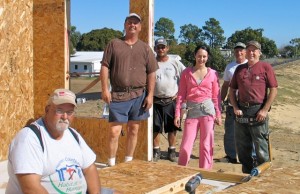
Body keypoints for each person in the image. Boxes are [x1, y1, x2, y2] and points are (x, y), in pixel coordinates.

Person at [6, 89, 101, 194]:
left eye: (69, 112)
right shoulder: (29, 138)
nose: (65, 117)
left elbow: (90, 169)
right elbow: (31, 188)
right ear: (47, 110)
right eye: (59, 111)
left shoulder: (73, 135)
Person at [100, 13, 158, 167]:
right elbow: (105, 67)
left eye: (136, 23)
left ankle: (128, 162)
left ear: (140, 27)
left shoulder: (145, 48)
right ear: (125, 25)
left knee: (133, 130)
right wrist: (105, 89)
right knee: (114, 132)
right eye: (129, 22)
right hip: (118, 94)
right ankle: (111, 163)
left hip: (139, 95)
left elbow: (152, 72)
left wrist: (150, 95)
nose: (132, 25)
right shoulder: (114, 44)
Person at [229, 40, 278, 173]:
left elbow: (273, 89)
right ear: (245, 52)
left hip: (258, 111)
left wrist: (265, 110)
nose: (251, 52)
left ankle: (263, 175)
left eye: (254, 50)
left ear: (259, 53)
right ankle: (247, 175)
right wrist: (235, 107)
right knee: (243, 148)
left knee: (261, 148)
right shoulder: (240, 69)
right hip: (241, 112)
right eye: (249, 50)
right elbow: (232, 90)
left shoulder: (265, 67)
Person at [174, 45, 222, 169]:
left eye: (204, 56)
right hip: (192, 111)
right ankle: (181, 170)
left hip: (207, 111)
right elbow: (181, 95)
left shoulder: (213, 74)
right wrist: (177, 114)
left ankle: (205, 172)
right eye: (199, 56)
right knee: (186, 145)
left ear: (208, 57)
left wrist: (218, 114)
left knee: (206, 144)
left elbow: (216, 96)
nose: (201, 59)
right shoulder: (186, 73)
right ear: (195, 56)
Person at [153, 38, 186, 162]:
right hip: (155, 100)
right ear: (155, 48)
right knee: (155, 127)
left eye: (163, 47)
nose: (161, 49)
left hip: (171, 100)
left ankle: (171, 151)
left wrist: (180, 94)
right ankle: (156, 150)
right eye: (158, 47)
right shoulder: (151, 62)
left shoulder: (175, 63)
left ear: (167, 48)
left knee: (172, 127)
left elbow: (186, 76)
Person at [220, 42, 248, 164]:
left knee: (247, 131)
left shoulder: (250, 65)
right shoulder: (229, 67)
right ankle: (230, 155)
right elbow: (225, 85)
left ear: (245, 52)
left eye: (241, 50)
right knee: (230, 130)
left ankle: (248, 156)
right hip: (232, 104)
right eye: (236, 51)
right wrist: (220, 100)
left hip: (247, 104)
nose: (239, 53)